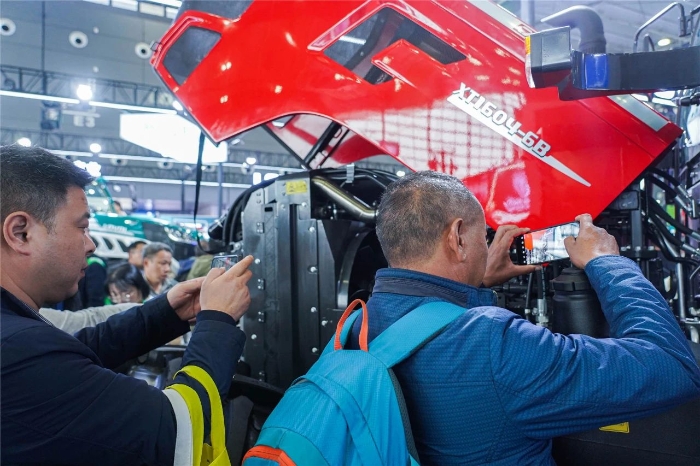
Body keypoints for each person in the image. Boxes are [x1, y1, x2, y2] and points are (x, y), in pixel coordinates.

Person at [349, 171, 700, 465]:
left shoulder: (354, 327)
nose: (486, 247)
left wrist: (475, 282)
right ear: (457, 238)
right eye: (482, 236)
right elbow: (672, 365)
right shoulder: (491, 341)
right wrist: (606, 262)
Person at [1, 144, 254, 465]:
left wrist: (166, 312)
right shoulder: (19, 351)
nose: (91, 244)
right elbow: (180, 429)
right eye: (81, 227)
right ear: (20, 233)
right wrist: (217, 322)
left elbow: (79, 349)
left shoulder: (17, 338)